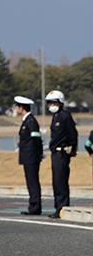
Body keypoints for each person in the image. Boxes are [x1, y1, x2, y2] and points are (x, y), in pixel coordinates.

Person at [46, 90, 78, 218]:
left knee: (61, 181)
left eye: (54, 102)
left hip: (62, 152)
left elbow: (72, 134)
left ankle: (62, 207)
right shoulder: (56, 116)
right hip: (55, 153)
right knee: (56, 181)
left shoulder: (65, 116)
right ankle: (58, 207)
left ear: (60, 103)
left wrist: (72, 148)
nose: (51, 105)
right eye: (50, 103)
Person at [15, 96, 43, 216]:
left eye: (17, 106)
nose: (16, 109)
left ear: (22, 108)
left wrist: (38, 154)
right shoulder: (26, 121)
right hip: (28, 156)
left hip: (31, 156)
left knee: (33, 182)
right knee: (30, 182)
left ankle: (35, 207)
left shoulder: (31, 121)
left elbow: (36, 139)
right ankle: (33, 205)